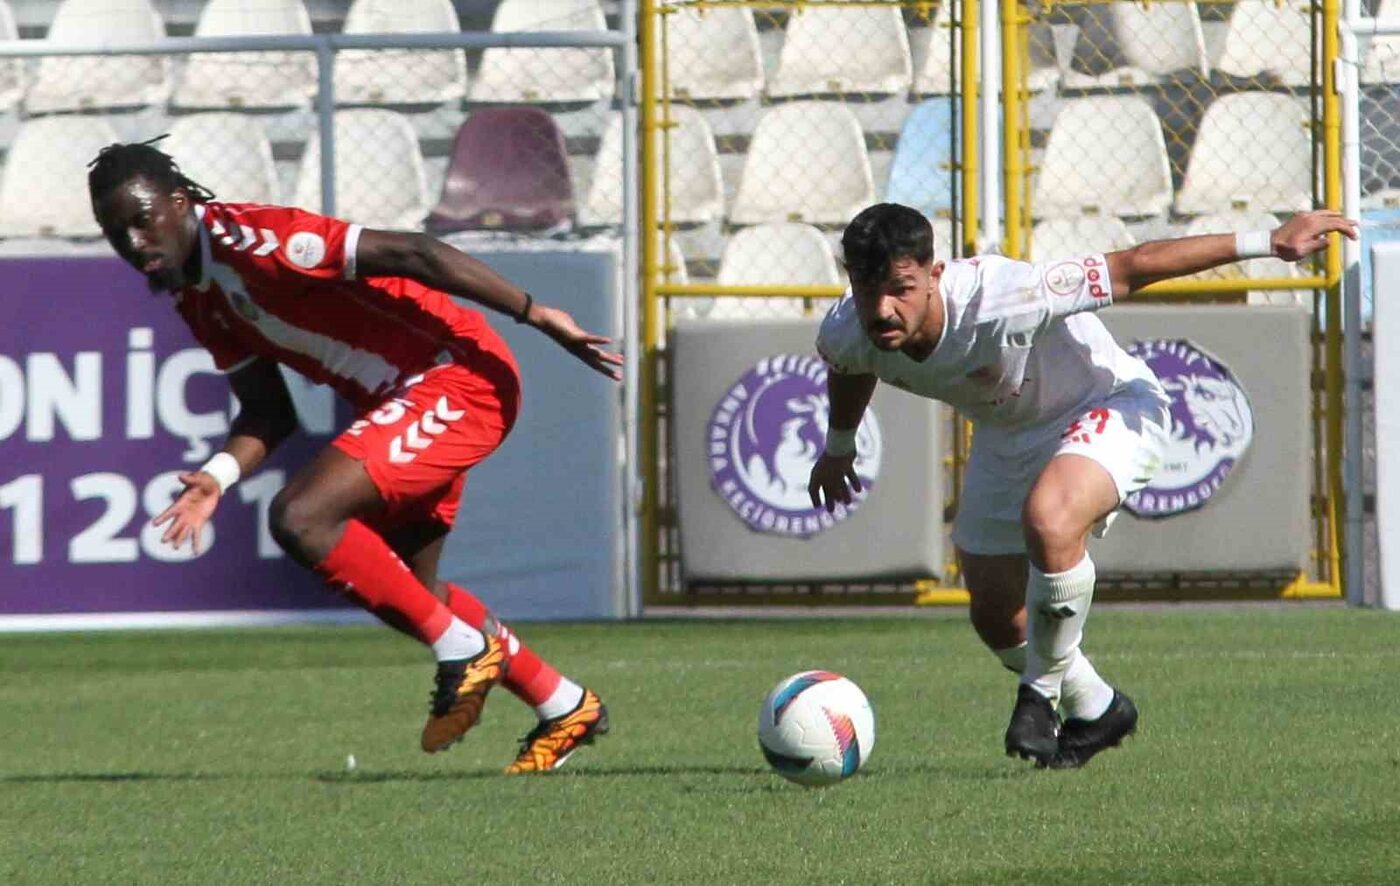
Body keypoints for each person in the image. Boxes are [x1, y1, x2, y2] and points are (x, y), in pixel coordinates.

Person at [88, 138, 619, 774]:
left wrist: (536, 313)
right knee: (412, 594)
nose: (133, 242)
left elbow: (414, 252)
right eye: (116, 232)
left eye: (142, 220)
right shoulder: (196, 297)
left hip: (456, 378)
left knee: (301, 517)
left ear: (179, 204)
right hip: (406, 401)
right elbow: (268, 412)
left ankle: (463, 649)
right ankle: (563, 704)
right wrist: (217, 477)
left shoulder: (258, 240)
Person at [809, 203, 1356, 768]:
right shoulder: (849, 330)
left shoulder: (1006, 295)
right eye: (867, 288)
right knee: (998, 619)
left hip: (1109, 405)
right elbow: (852, 368)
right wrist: (840, 446)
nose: (882, 308)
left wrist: (1268, 239)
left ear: (935, 274)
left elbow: (1134, 265)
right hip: (1008, 433)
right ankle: (1098, 708)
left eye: (900, 288)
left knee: (1051, 520)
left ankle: (1039, 696)